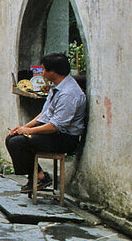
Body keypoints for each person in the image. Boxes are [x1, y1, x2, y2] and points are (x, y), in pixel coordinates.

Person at [6, 52, 86, 192]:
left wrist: (29, 131)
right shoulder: (57, 86)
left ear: (53, 72)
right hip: (54, 131)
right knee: (12, 137)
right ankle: (36, 176)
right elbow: (45, 114)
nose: (42, 73)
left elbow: (56, 126)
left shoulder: (69, 93)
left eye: (43, 70)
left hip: (65, 138)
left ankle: (40, 177)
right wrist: (24, 127)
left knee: (17, 142)